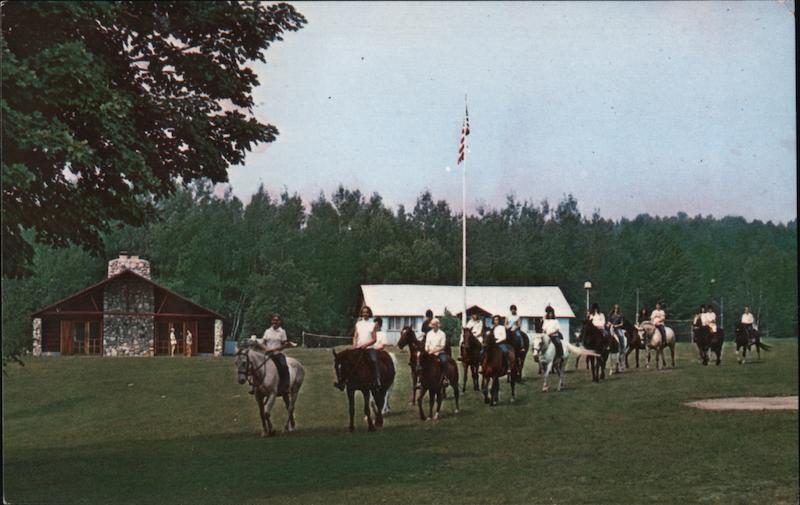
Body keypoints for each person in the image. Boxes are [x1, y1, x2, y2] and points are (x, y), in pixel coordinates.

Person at [251, 313, 294, 396]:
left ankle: (285, 386)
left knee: (284, 366)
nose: (275, 322)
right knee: (256, 367)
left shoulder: (282, 332)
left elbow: (284, 344)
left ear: (279, 322)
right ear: (271, 321)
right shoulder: (267, 331)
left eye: (277, 320)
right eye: (273, 320)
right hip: (268, 354)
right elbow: (263, 342)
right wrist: (265, 348)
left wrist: (274, 349)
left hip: (278, 354)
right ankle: (254, 386)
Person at [353, 305, 382, 388]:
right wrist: (355, 344)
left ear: (369, 314)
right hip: (358, 348)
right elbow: (355, 336)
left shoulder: (372, 324)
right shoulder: (358, 324)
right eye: (364, 312)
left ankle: (377, 379)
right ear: (361, 313)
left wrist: (366, 345)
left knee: (374, 360)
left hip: (369, 349)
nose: (365, 314)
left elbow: (374, 339)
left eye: (367, 312)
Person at [424, 318, 449, 385]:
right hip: (429, 352)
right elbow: (427, 344)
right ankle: (421, 380)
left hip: (439, 353)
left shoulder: (442, 334)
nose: (433, 326)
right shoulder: (429, 334)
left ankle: (445, 378)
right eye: (432, 325)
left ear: (438, 325)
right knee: (421, 361)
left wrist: (434, 351)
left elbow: (442, 346)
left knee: (444, 361)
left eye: (434, 325)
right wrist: (427, 350)